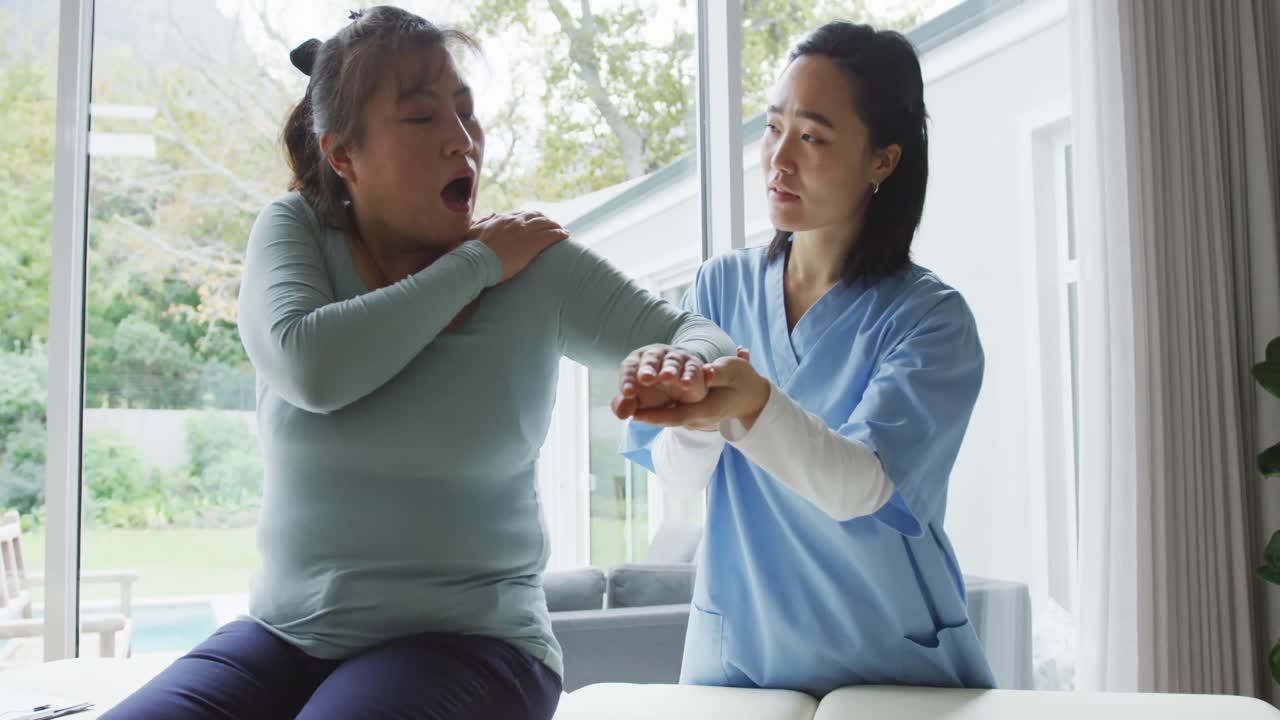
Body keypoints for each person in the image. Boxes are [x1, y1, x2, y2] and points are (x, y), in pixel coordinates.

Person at [102, 7, 736, 719]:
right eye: (422, 118)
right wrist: (476, 264)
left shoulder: (535, 266)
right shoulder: (298, 232)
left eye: (466, 114)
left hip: (474, 641)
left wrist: (682, 368)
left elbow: (702, 332)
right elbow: (312, 367)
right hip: (288, 636)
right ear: (343, 156)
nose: (461, 141)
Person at [613, 21, 996, 696]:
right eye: (772, 128)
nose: (778, 158)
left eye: (812, 136)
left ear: (883, 160)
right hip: (740, 661)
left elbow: (862, 488)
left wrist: (750, 405)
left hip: (888, 666)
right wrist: (696, 418)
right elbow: (676, 478)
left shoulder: (931, 321)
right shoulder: (718, 287)